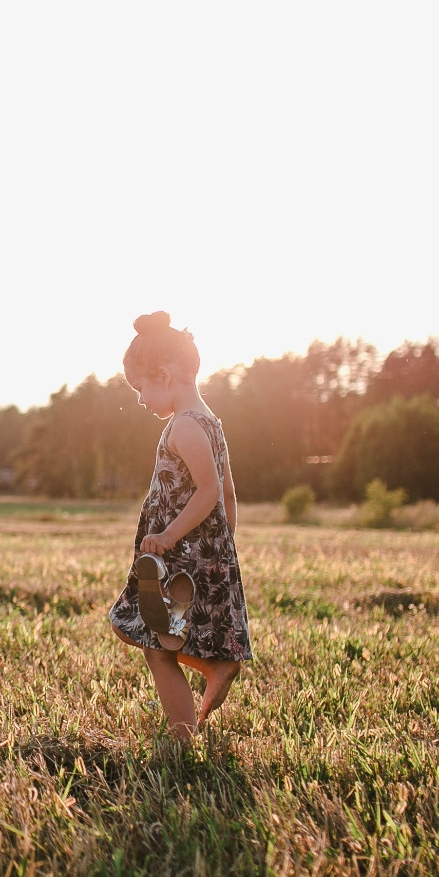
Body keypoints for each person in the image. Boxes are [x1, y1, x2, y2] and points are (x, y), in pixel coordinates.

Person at [107, 312, 253, 740]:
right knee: (147, 632)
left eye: (140, 388)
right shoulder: (212, 424)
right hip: (202, 554)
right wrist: (225, 547)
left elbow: (208, 490)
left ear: (165, 375)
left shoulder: (185, 426)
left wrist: (170, 536)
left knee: (154, 645)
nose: (139, 400)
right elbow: (228, 495)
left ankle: (181, 736)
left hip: (178, 558)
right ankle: (213, 667)